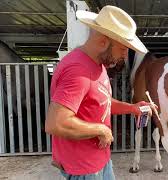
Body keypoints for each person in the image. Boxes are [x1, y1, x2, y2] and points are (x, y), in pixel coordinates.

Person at [45, 5, 150, 180]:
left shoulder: (97, 65)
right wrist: (101, 129)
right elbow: (56, 123)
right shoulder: (77, 70)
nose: (125, 56)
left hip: (100, 160)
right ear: (103, 41)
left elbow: (102, 101)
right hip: (83, 169)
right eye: (123, 49)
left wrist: (132, 108)